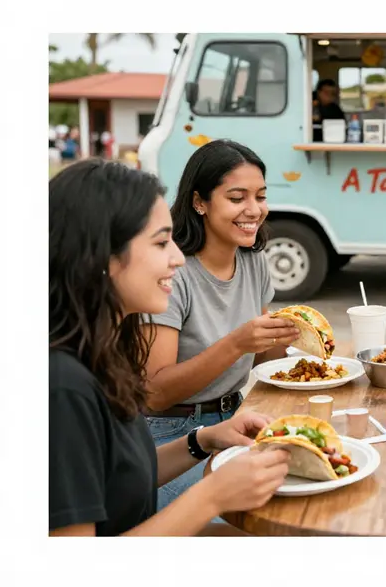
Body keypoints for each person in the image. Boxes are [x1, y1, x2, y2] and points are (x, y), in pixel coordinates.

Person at [49, 160, 290, 536]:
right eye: (162, 242)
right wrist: (211, 496)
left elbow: (121, 475)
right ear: (100, 257)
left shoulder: (103, 356)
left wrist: (204, 440)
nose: (178, 257)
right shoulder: (62, 388)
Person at [142, 139, 300, 511]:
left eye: (260, 196)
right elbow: (155, 393)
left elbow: (261, 358)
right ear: (200, 202)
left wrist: (292, 337)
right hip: (172, 434)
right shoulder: (172, 271)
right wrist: (237, 343)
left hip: (239, 417)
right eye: (237, 197)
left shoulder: (254, 261)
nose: (254, 209)